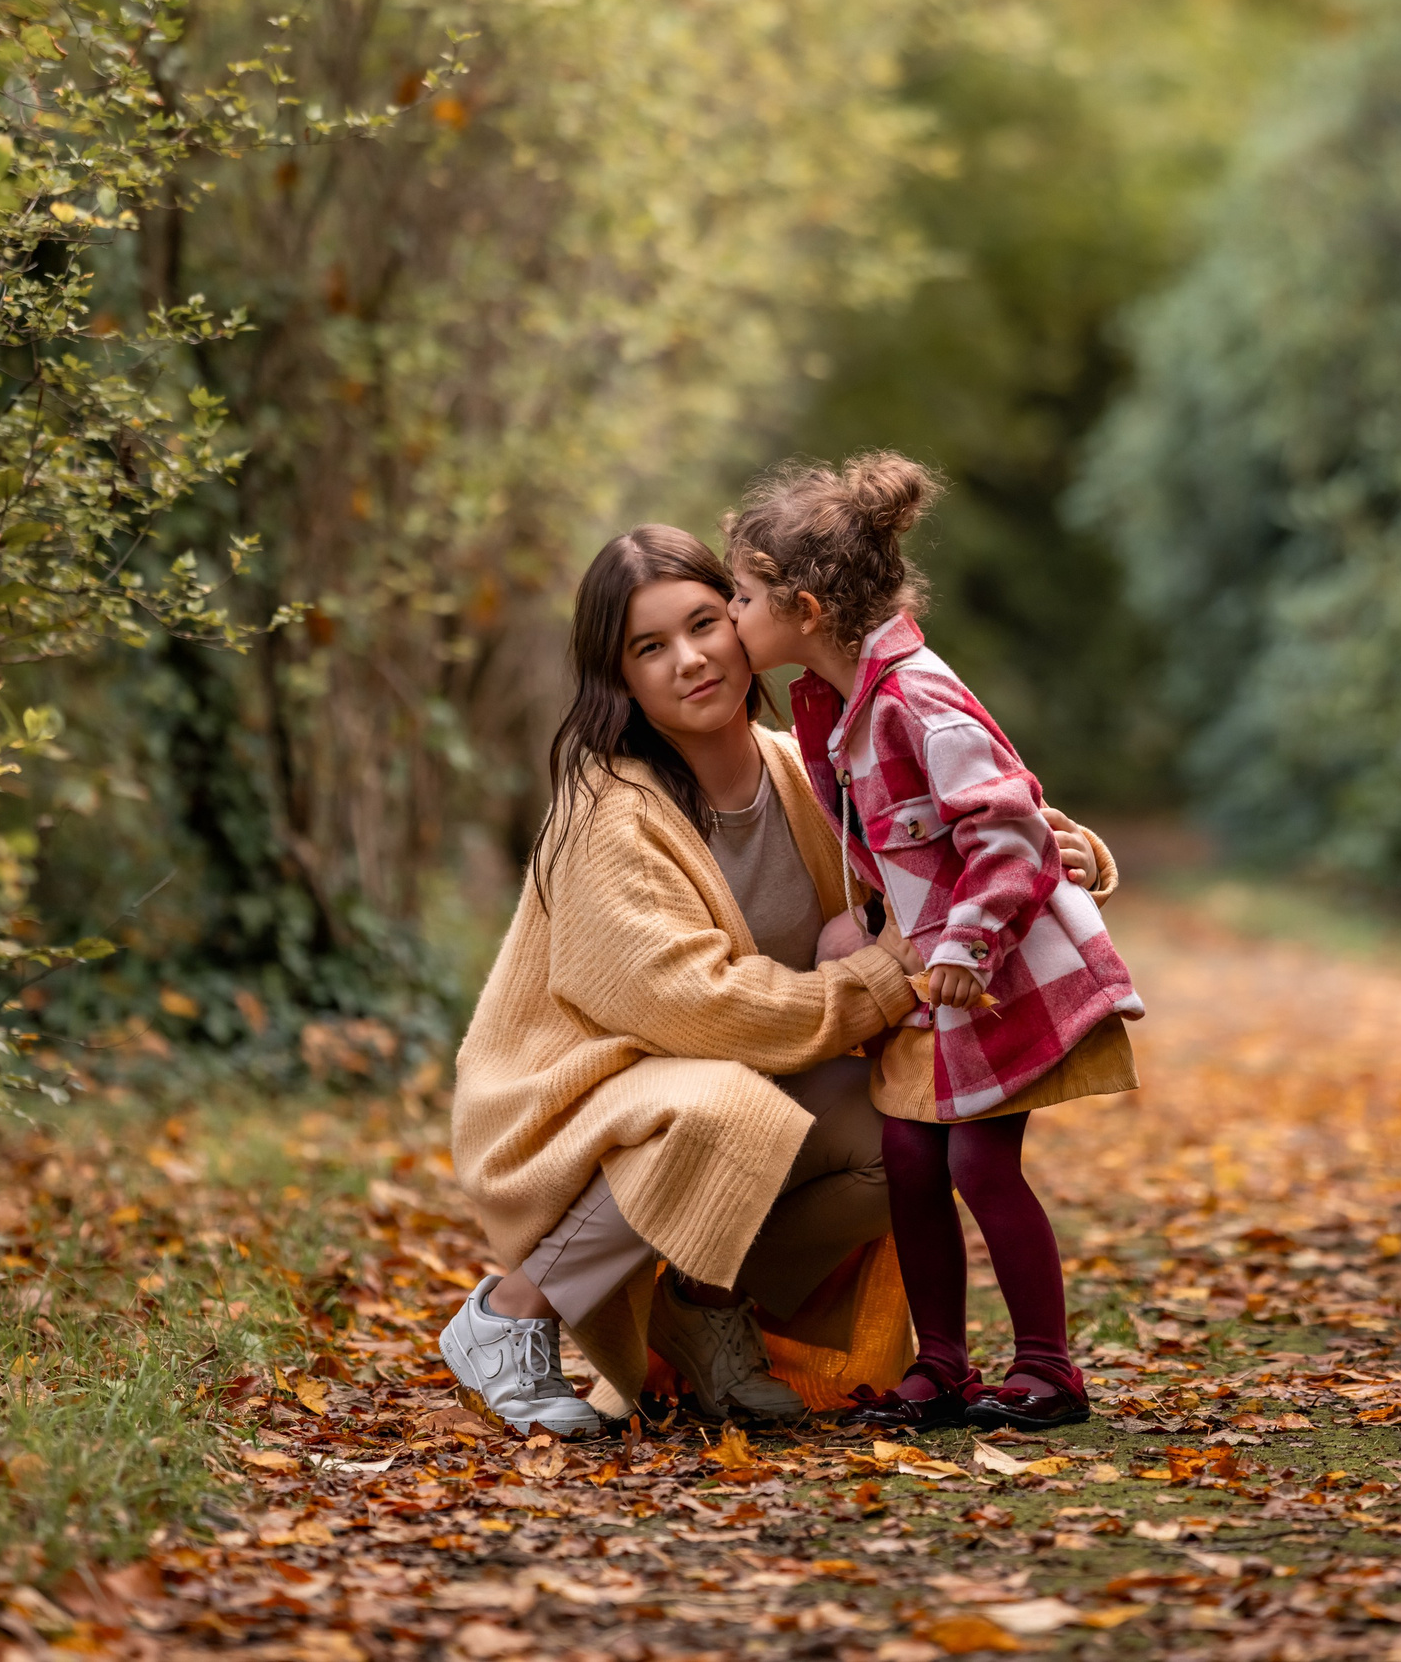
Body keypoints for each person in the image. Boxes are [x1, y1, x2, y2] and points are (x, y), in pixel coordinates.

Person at [439, 525, 1109, 1437]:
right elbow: (700, 1010)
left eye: (704, 623)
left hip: (741, 1084)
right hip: (582, 1099)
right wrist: (892, 971)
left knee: (908, 1137)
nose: (689, 660)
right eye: (649, 647)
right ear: (619, 679)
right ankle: (510, 1314)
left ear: (747, 621)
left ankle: (706, 1303)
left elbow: (944, 838)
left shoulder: (808, 766)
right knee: (727, 1106)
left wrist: (1062, 853)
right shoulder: (607, 811)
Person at [725, 453, 1142, 1431]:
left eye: (741, 597)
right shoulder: (837, 707)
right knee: (910, 1163)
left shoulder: (917, 699)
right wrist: (871, 924)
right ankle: (941, 1366)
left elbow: (1009, 830)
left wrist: (967, 944)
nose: (732, 616)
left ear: (804, 610)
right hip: (928, 983)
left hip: (991, 976)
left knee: (981, 1168)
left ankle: (1048, 1369)